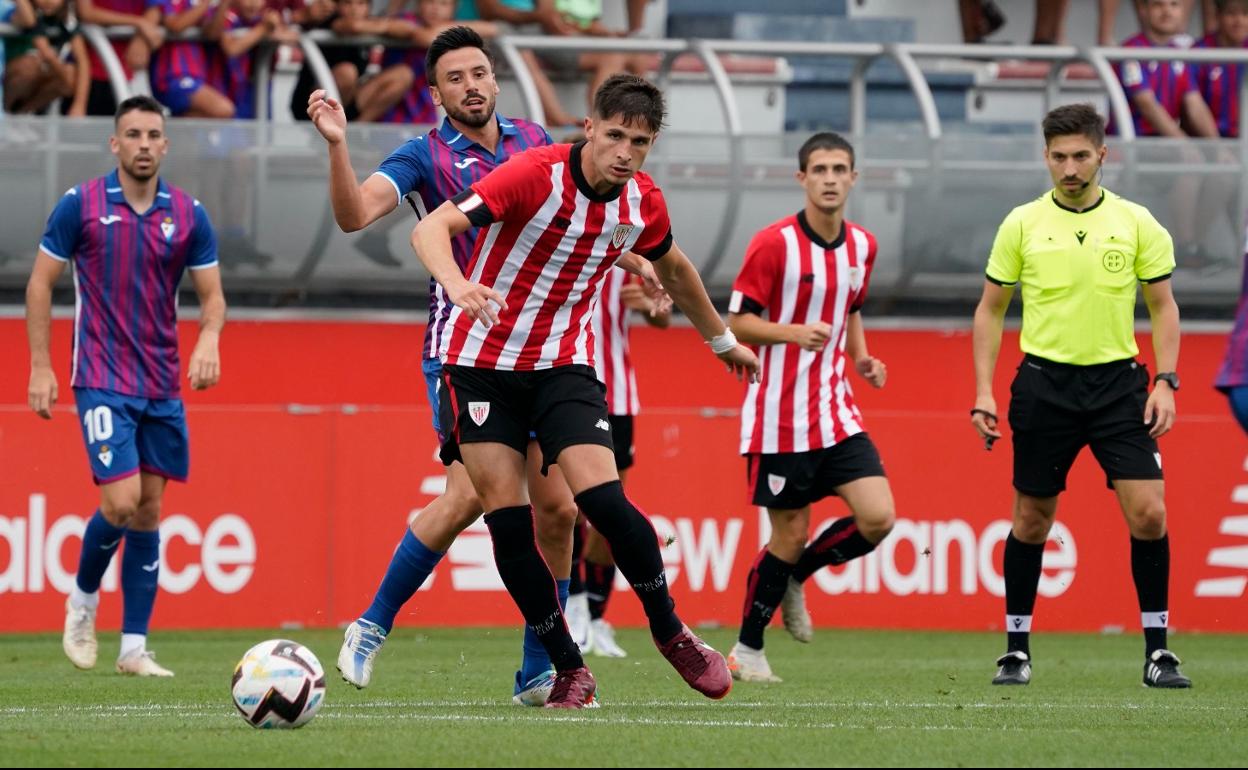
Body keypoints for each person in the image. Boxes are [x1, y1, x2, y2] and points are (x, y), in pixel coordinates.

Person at [411, 73, 758, 709]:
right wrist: (458, 283)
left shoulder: (642, 203)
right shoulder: (532, 175)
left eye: (641, 142)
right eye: (617, 135)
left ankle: (671, 632)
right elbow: (430, 229)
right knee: (510, 526)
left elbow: (675, 268)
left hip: (562, 365)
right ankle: (569, 667)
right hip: (480, 362)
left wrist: (722, 340)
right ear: (590, 128)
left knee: (604, 502)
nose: (626, 151)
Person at [308, 25, 579, 707]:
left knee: (561, 512)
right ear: (435, 94)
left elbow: (577, 217)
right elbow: (355, 215)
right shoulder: (423, 155)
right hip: (462, 352)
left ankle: (539, 671)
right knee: (473, 500)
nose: (472, 86)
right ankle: (371, 625)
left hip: (540, 349)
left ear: (495, 78)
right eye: (455, 78)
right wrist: (339, 150)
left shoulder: (535, 142)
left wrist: (634, 260)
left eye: (480, 73)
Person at [971, 103, 1190, 689]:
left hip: (1120, 387)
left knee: (1149, 513)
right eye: (1059, 156)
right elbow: (990, 311)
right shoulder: (1021, 224)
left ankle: (1158, 652)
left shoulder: (1137, 222)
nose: (1070, 167)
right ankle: (1016, 649)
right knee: (1033, 519)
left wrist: (1165, 380)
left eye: (1081, 156)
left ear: (1102, 155)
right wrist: (983, 393)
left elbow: (1163, 305)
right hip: (1044, 386)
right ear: (1045, 157)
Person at [26, 95, 226, 677]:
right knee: (121, 501)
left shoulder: (188, 214)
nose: (143, 144)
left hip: (162, 380)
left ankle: (133, 648)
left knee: (150, 511)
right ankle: (82, 602)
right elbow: (40, 286)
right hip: (100, 375)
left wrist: (208, 339)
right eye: (132, 134)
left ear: (165, 144)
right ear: (115, 143)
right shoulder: (80, 206)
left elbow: (212, 297)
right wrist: (41, 367)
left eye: (153, 135)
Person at [722, 132, 896, 683]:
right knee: (788, 534)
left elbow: (852, 308)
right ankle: (748, 649)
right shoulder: (774, 244)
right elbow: (737, 323)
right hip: (779, 418)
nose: (828, 178)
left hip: (837, 411)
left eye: (839, 168)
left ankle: (800, 575)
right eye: (818, 169)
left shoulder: (863, 245)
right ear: (802, 179)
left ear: (853, 178)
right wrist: (792, 333)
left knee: (878, 517)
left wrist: (862, 357)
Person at [565, 265, 671, 658]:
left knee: (611, 512)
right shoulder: (562, 228)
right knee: (570, 508)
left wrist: (649, 305)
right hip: (566, 387)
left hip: (618, 395)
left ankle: (595, 617)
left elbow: (660, 317)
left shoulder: (631, 243)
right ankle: (573, 603)